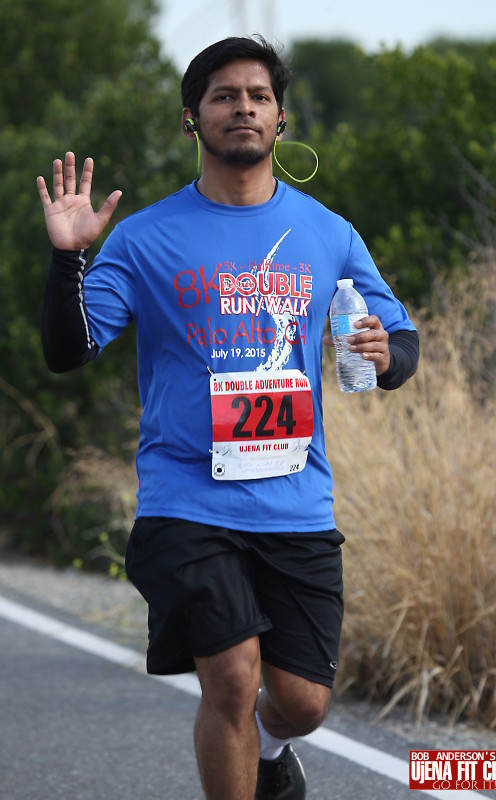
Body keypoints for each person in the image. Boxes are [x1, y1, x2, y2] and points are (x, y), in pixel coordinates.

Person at [37, 36, 419, 800]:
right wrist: (68, 259)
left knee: (302, 704)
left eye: (257, 96)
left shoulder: (328, 233)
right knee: (232, 678)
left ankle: (271, 752)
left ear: (279, 119)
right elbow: (67, 351)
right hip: (187, 500)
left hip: (295, 501)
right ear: (192, 118)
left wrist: (383, 356)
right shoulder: (144, 238)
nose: (242, 107)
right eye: (223, 96)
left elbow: (398, 342)